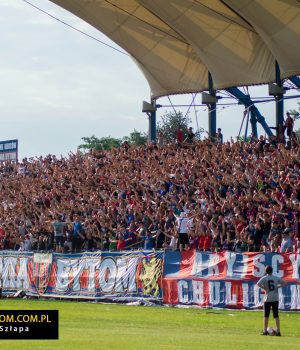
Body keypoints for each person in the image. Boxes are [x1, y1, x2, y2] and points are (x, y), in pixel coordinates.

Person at [256, 265, 287, 336]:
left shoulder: (264, 278)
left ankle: (265, 331)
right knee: (276, 315)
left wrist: (265, 288)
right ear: (272, 271)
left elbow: (258, 284)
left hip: (267, 298)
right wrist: (278, 286)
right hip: (275, 298)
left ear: (265, 271)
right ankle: (278, 331)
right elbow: (285, 283)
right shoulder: (276, 278)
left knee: (266, 315)